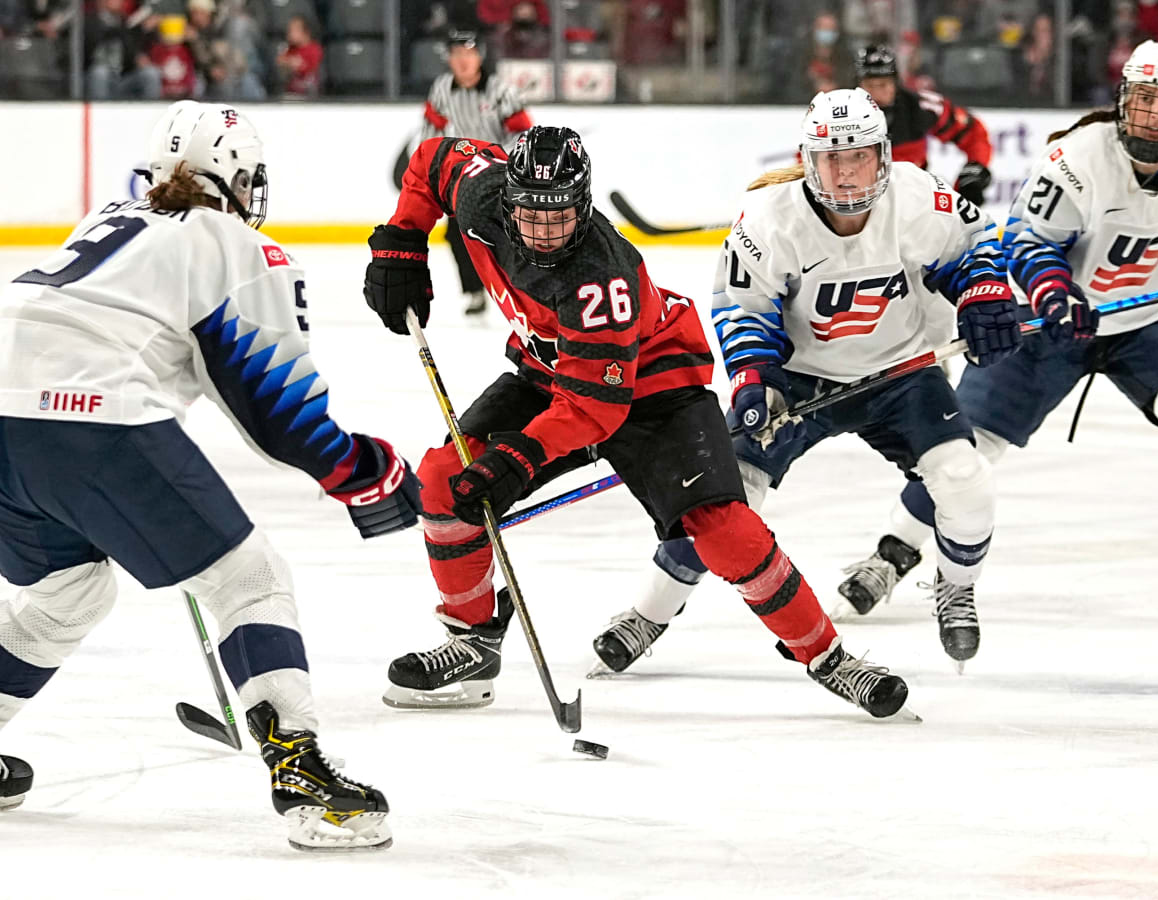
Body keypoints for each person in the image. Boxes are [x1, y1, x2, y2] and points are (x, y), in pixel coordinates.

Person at [362, 125, 913, 719]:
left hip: (654, 386)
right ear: (507, 198)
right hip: (550, 370)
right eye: (532, 216)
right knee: (443, 479)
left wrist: (517, 457)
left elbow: (594, 410)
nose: (545, 234)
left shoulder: (602, 279)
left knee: (724, 530)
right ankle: (470, 642)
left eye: (562, 217)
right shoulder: (480, 191)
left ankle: (826, 654)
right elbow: (433, 157)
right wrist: (402, 242)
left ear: (585, 204)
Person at [0, 102, 422, 851]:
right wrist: (368, 474)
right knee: (249, 580)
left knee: (68, 591)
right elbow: (279, 412)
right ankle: (304, 777)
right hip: (92, 422)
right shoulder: (235, 243)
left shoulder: (106, 219)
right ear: (239, 180)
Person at [589, 87, 1021, 674]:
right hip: (797, 383)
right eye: (831, 158)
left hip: (899, 375)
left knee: (966, 482)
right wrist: (752, 380)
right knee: (718, 504)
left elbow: (974, 246)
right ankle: (650, 613)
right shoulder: (771, 219)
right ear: (808, 158)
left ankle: (957, 586)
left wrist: (984, 294)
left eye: (859, 156)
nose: (845, 174)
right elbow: (743, 309)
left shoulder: (918, 196)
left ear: (883, 156)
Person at [839, 40, 1158, 619]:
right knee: (966, 447)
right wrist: (1057, 293)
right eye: (1147, 100)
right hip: (1048, 323)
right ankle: (893, 552)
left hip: (1145, 322)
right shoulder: (1076, 159)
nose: (1156, 115)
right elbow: (1030, 243)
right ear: (1123, 99)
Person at [408, 30, 533, 316]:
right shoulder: (441, 89)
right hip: (463, 177)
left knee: (510, 235)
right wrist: (433, 167)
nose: (463, 61)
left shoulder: (501, 91)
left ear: (479, 56)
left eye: (468, 54)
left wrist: (498, 162)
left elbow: (523, 133)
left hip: (502, 173)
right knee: (456, 235)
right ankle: (476, 291)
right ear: (449, 59)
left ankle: (521, 292)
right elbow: (431, 132)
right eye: (456, 55)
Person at [855, 44, 994, 207]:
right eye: (870, 86)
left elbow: (973, 132)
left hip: (914, 206)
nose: (877, 94)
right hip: (858, 207)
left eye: (884, 85)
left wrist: (973, 173)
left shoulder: (921, 107)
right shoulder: (838, 115)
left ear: (896, 83)